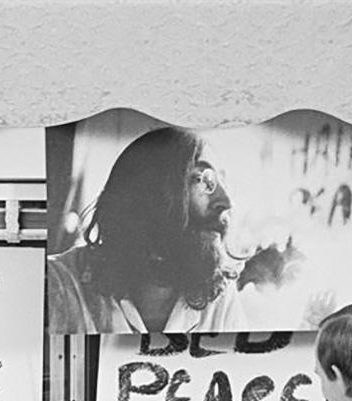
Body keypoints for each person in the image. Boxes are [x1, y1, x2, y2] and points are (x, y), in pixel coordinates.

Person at [48, 126, 248, 335]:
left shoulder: (220, 299)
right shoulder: (57, 285)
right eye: (203, 180)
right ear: (149, 196)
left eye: (222, 182)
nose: (226, 203)